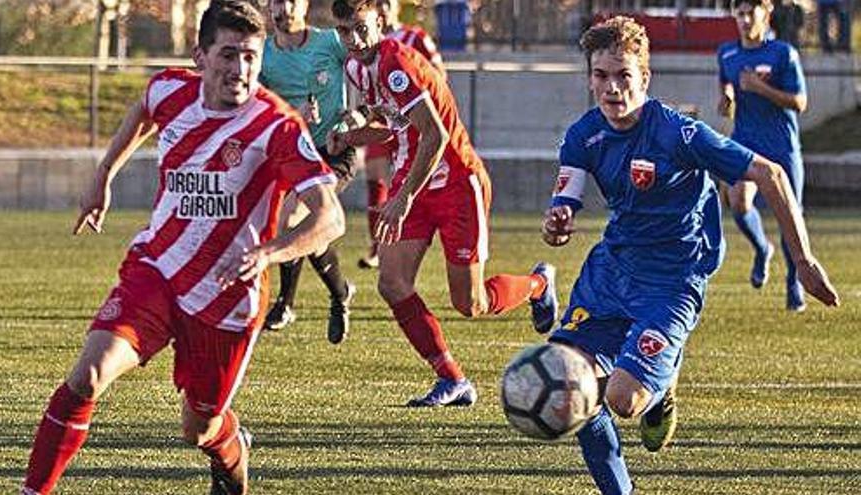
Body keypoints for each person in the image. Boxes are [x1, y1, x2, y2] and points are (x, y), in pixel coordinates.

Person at [20, 2, 345, 494]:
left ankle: (232, 449)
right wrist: (103, 174)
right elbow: (143, 112)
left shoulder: (276, 127)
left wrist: (269, 253)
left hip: (226, 298)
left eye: (252, 58)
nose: (241, 70)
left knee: (199, 429)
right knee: (87, 375)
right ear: (201, 56)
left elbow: (330, 217)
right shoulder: (170, 89)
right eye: (229, 55)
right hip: (158, 269)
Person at [542, 16, 839, 495]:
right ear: (589, 77)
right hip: (612, 271)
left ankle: (663, 381)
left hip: (672, 281)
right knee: (566, 379)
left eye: (624, 75)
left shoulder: (679, 134)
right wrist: (557, 222)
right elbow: (564, 201)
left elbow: (772, 175)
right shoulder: (584, 135)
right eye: (601, 76)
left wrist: (802, 262)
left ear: (645, 77)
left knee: (621, 399)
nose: (612, 88)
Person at [329, 0, 558, 407]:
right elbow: (395, 128)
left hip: (455, 183)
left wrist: (402, 198)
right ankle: (452, 379)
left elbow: (433, 136)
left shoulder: (395, 62)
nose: (354, 39)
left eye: (361, 28)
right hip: (413, 179)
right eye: (345, 31)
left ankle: (539, 284)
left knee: (470, 304)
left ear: (380, 21)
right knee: (392, 282)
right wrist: (349, 138)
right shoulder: (355, 67)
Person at [258, 0, 358, 344]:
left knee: (294, 219)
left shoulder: (330, 42)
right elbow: (258, 110)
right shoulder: (263, 56)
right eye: (276, 2)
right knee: (310, 230)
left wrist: (356, 116)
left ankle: (285, 303)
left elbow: (364, 69)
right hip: (294, 155)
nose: (284, 8)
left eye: (291, 1)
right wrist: (292, 115)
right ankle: (341, 293)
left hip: (335, 150)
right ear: (266, 7)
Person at [718, 0, 810, 311]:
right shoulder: (727, 52)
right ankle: (761, 249)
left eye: (750, 13)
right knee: (737, 201)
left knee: (790, 216)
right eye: (739, 14)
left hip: (782, 146)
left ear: (766, 13)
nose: (744, 20)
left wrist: (761, 88)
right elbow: (727, 83)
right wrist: (727, 98)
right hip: (746, 141)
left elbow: (799, 102)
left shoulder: (784, 53)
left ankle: (793, 281)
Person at [348, 0, 447, 270]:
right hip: (390, 124)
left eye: (386, 2)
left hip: (419, 126)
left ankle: (404, 237)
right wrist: (355, 124)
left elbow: (439, 77)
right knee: (375, 176)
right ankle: (377, 246)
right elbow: (372, 102)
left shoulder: (415, 38)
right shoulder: (358, 54)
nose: (382, 6)